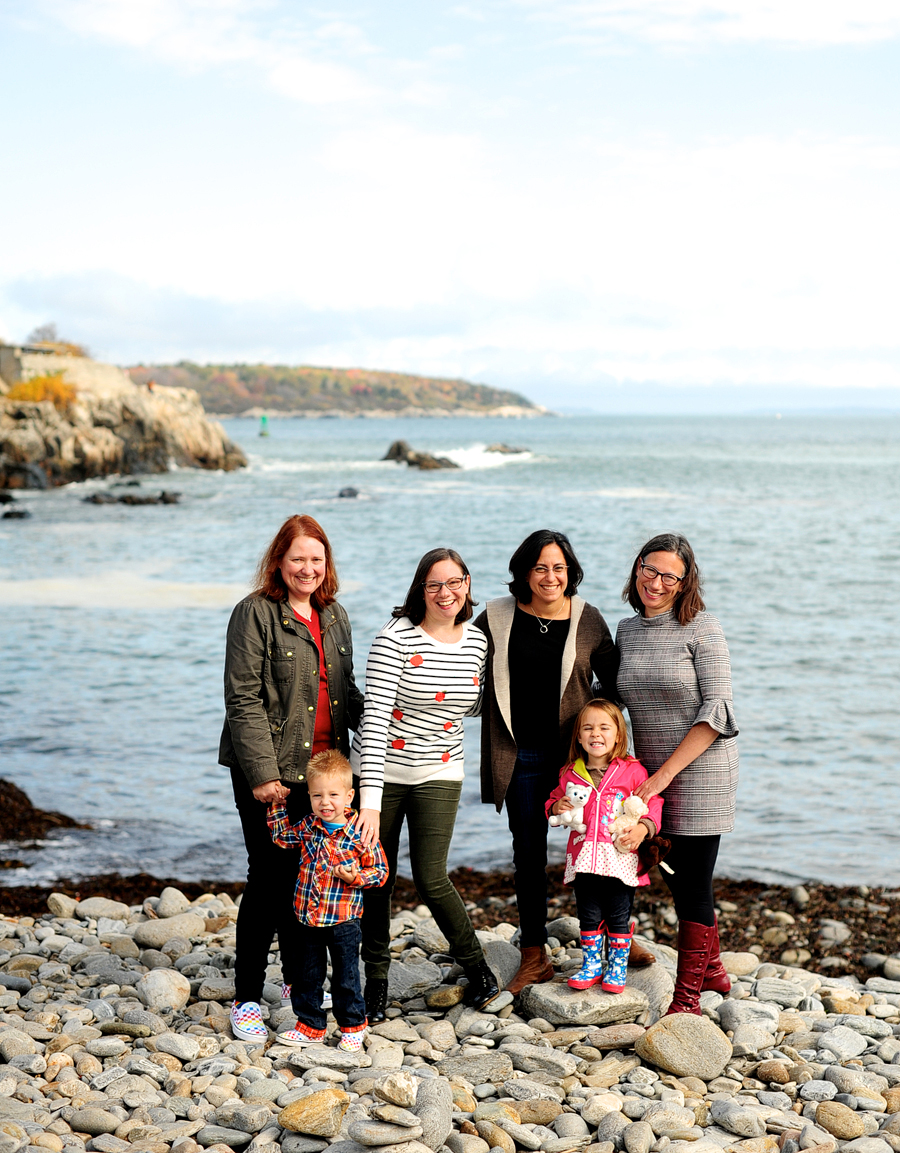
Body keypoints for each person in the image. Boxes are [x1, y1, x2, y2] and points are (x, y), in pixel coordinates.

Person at [219, 514, 364, 1044]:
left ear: (327, 566)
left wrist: (391, 742)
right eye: (298, 558)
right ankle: (246, 998)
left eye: (317, 559)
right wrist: (261, 774)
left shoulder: (335, 616)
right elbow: (243, 698)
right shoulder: (254, 613)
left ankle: (297, 984)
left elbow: (346, 698)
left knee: (311, 881)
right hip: (272, 775)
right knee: (269, 881)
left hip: (326, 775)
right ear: (279, 561)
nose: (308, 568)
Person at [475, 529, 632, 996]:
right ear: (524, 571)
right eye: (540, 567)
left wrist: (601, 733)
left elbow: (617, 686)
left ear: (571, 572)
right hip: (521, 755)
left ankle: (615, 941)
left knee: (602, 848)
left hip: (580, 762)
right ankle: (534, 954)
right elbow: (458, 661)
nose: (550, 576)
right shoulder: (495, 617)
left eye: (559, 567)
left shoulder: (588, 619)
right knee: (528, 854)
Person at [352, 547, 499, 1021]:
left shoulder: (477, 643)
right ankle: (375, 982)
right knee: (379, 877)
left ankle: (477, 969)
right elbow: (373, 719)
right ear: (420, 590)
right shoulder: (393, 639)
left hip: (440, 770)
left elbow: (474, 706)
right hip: (383, 772)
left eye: (454, 582)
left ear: (468, 585)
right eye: (434, 584)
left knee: (432, 876)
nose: (445, 593)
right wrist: (369, 803)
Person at [617, 532, 739, 1015]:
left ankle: (687, 1000)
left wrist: (663, 776)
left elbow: (718, 710)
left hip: (701, 770)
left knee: (692, 881)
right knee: (665, 866)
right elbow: (611, 694)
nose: (658, 582)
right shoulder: (627, 630)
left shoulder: (702, 628)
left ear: (686, 581)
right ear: (637, 567)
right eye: (651, 569)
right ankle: (712, 971)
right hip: (648, 774)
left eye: (671, 575)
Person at [266, 749, 388, 1051]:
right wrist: (277, 805)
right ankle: (310, 1025)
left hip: (344, 918)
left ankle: (352, 1025)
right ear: (309, 796)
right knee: (306, 975)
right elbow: (283, 838)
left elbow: (381, 871)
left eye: (333, 795)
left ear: (349, 796)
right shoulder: (310, 825)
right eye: (317, 795)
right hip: (307, 915)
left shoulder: (360, 833)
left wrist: (355, 877)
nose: (325, 802)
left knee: (345, 976)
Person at [545, 699, 663, 993]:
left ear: (618, 736)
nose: (595, 734)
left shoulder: (632, 771)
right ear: (579, 737)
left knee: (618, 913)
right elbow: (552, 801)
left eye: (604, 728)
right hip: (584, 857)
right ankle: (591, 965)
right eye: (588, 728)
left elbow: (653, 804)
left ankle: (617, 966)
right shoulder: (569, 773)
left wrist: (642, 828)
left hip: (620, 858)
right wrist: (554, 807)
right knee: (588, 913)